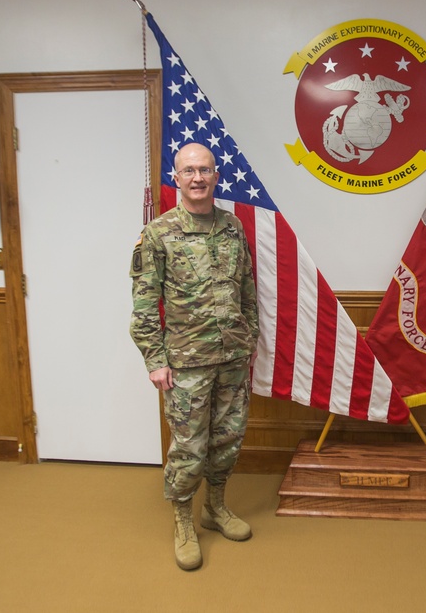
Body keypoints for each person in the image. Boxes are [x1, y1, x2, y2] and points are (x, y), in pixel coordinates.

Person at [130, 143, 259, 571]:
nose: (198, 178)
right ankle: (184, 520)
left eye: (205, 170)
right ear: (177, 177)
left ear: (216, 175)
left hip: (232, 358)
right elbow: (145, 305)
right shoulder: (158, 233)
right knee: (189, 448)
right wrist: (155, 360)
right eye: (189, 171)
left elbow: (247, 290)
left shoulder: (233, 227)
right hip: (185, 363)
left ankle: (215, 508)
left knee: (227, 440)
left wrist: (250, 336)